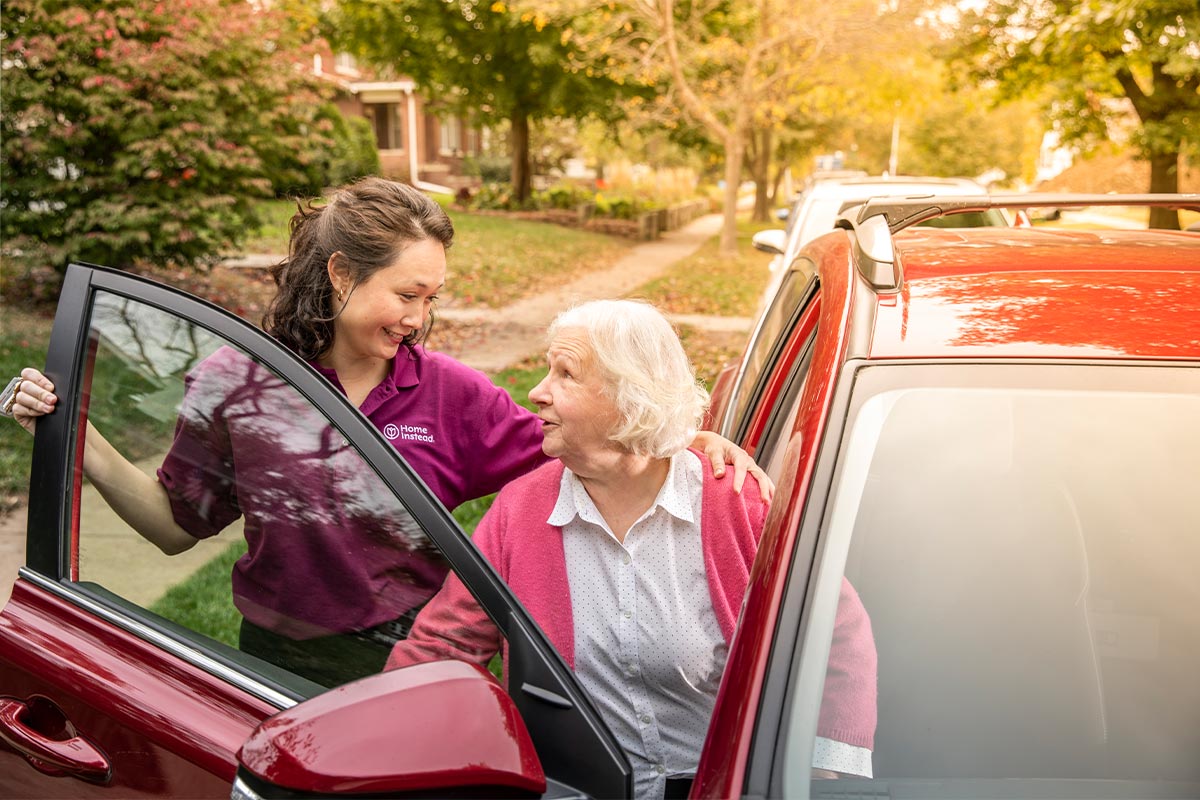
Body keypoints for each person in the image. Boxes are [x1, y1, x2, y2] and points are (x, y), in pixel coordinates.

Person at [4, 177, 771, 686]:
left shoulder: (454, 397)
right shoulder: (234, 387)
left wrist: (684, 444)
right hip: (274, 661)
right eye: (408, 293)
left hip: (422, 658)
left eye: (431, 298)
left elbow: (588, 445)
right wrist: (78, 434)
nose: (419, 320)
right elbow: (175, 529)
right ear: (340, 274)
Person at [386, 299, 877, 798]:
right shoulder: (520, 511)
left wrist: (823, 769)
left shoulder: (732, 501)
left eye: (566, 374)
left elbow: (833, 628)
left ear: (630, 396)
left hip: (718, 784)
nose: (537, 392)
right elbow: (442, 645)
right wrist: (382, 741)